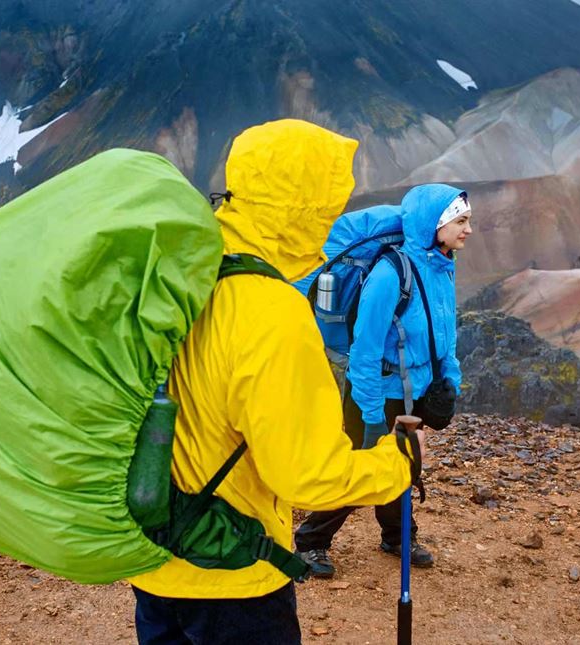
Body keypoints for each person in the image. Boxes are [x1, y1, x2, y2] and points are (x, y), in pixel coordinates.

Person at [127, 119, 427, 644]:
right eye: (327, 205)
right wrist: (395, 464)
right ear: (301, 209)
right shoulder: (271, 310)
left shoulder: (178, 271)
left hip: (154, 556)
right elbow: (305, 474)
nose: (334, 218)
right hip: (232, 571)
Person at [295, 184, 471, 578]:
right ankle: (310, 542)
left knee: (403, 466)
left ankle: (398, 536)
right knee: (359, 467)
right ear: (435, 225)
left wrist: (448, 383)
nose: (468, 230)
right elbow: (365, 350)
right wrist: (372, 414)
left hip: (415, 392)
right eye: (460, 220)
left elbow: (445, 333)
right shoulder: (391, 273)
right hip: (376, 392)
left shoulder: (443, 265)